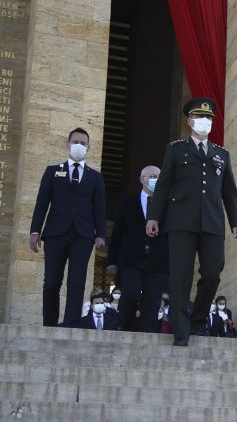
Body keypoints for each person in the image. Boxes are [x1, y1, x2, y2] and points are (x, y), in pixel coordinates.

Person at [146, 97, 237, 347]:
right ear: (190, 121)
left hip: (212, 221)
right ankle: (181, 330)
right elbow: (164, 185)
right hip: (180, 221)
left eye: (209, 118)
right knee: (180, 277)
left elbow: (230, 192)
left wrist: (236, 221)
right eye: (200, 118)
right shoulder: (176, 149)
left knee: (213, 272)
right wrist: (154, 216)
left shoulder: (221, 154)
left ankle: (197, 319)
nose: (205, 122)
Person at [29, 127, 107, 327]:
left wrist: (101, 234)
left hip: (83, 234)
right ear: (68, 144)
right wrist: (35, 231)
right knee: (52, 282)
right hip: (56, 232)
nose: (79, 146)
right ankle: (50, 324)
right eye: (76, 142)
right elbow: (41, 203)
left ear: (88, 147)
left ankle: (71, 324)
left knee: (77, 282)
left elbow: (99, 207)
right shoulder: (52, 171)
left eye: (83, 143)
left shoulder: (95, 177)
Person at [107, 166, 169, 332]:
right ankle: (125, 327)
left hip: (158, 260)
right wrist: (112, 261)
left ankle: (146, 334)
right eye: (151, 176)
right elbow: (117, 233)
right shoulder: (126, 203)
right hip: (132, 259)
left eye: (157, 176)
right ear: (142, 179)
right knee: (131, 294)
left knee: (153, 302)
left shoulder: (167, 206)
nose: (154, 179)